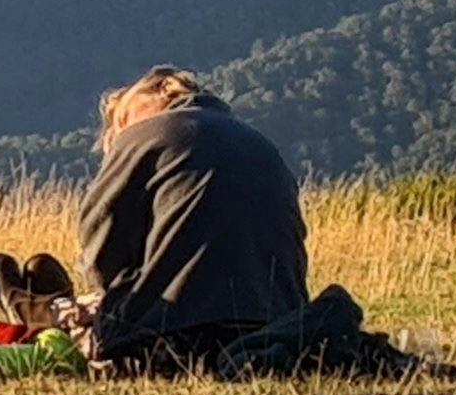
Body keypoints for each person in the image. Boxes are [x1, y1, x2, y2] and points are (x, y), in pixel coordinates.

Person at [74, 66, 308, 368]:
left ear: (159, 94)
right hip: (280, 328)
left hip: (175, 335)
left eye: (121, 121)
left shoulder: (146, 134)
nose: (117, 135)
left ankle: (48, 313)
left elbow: (99, 244)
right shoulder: (260, 143)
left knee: (90, 330)